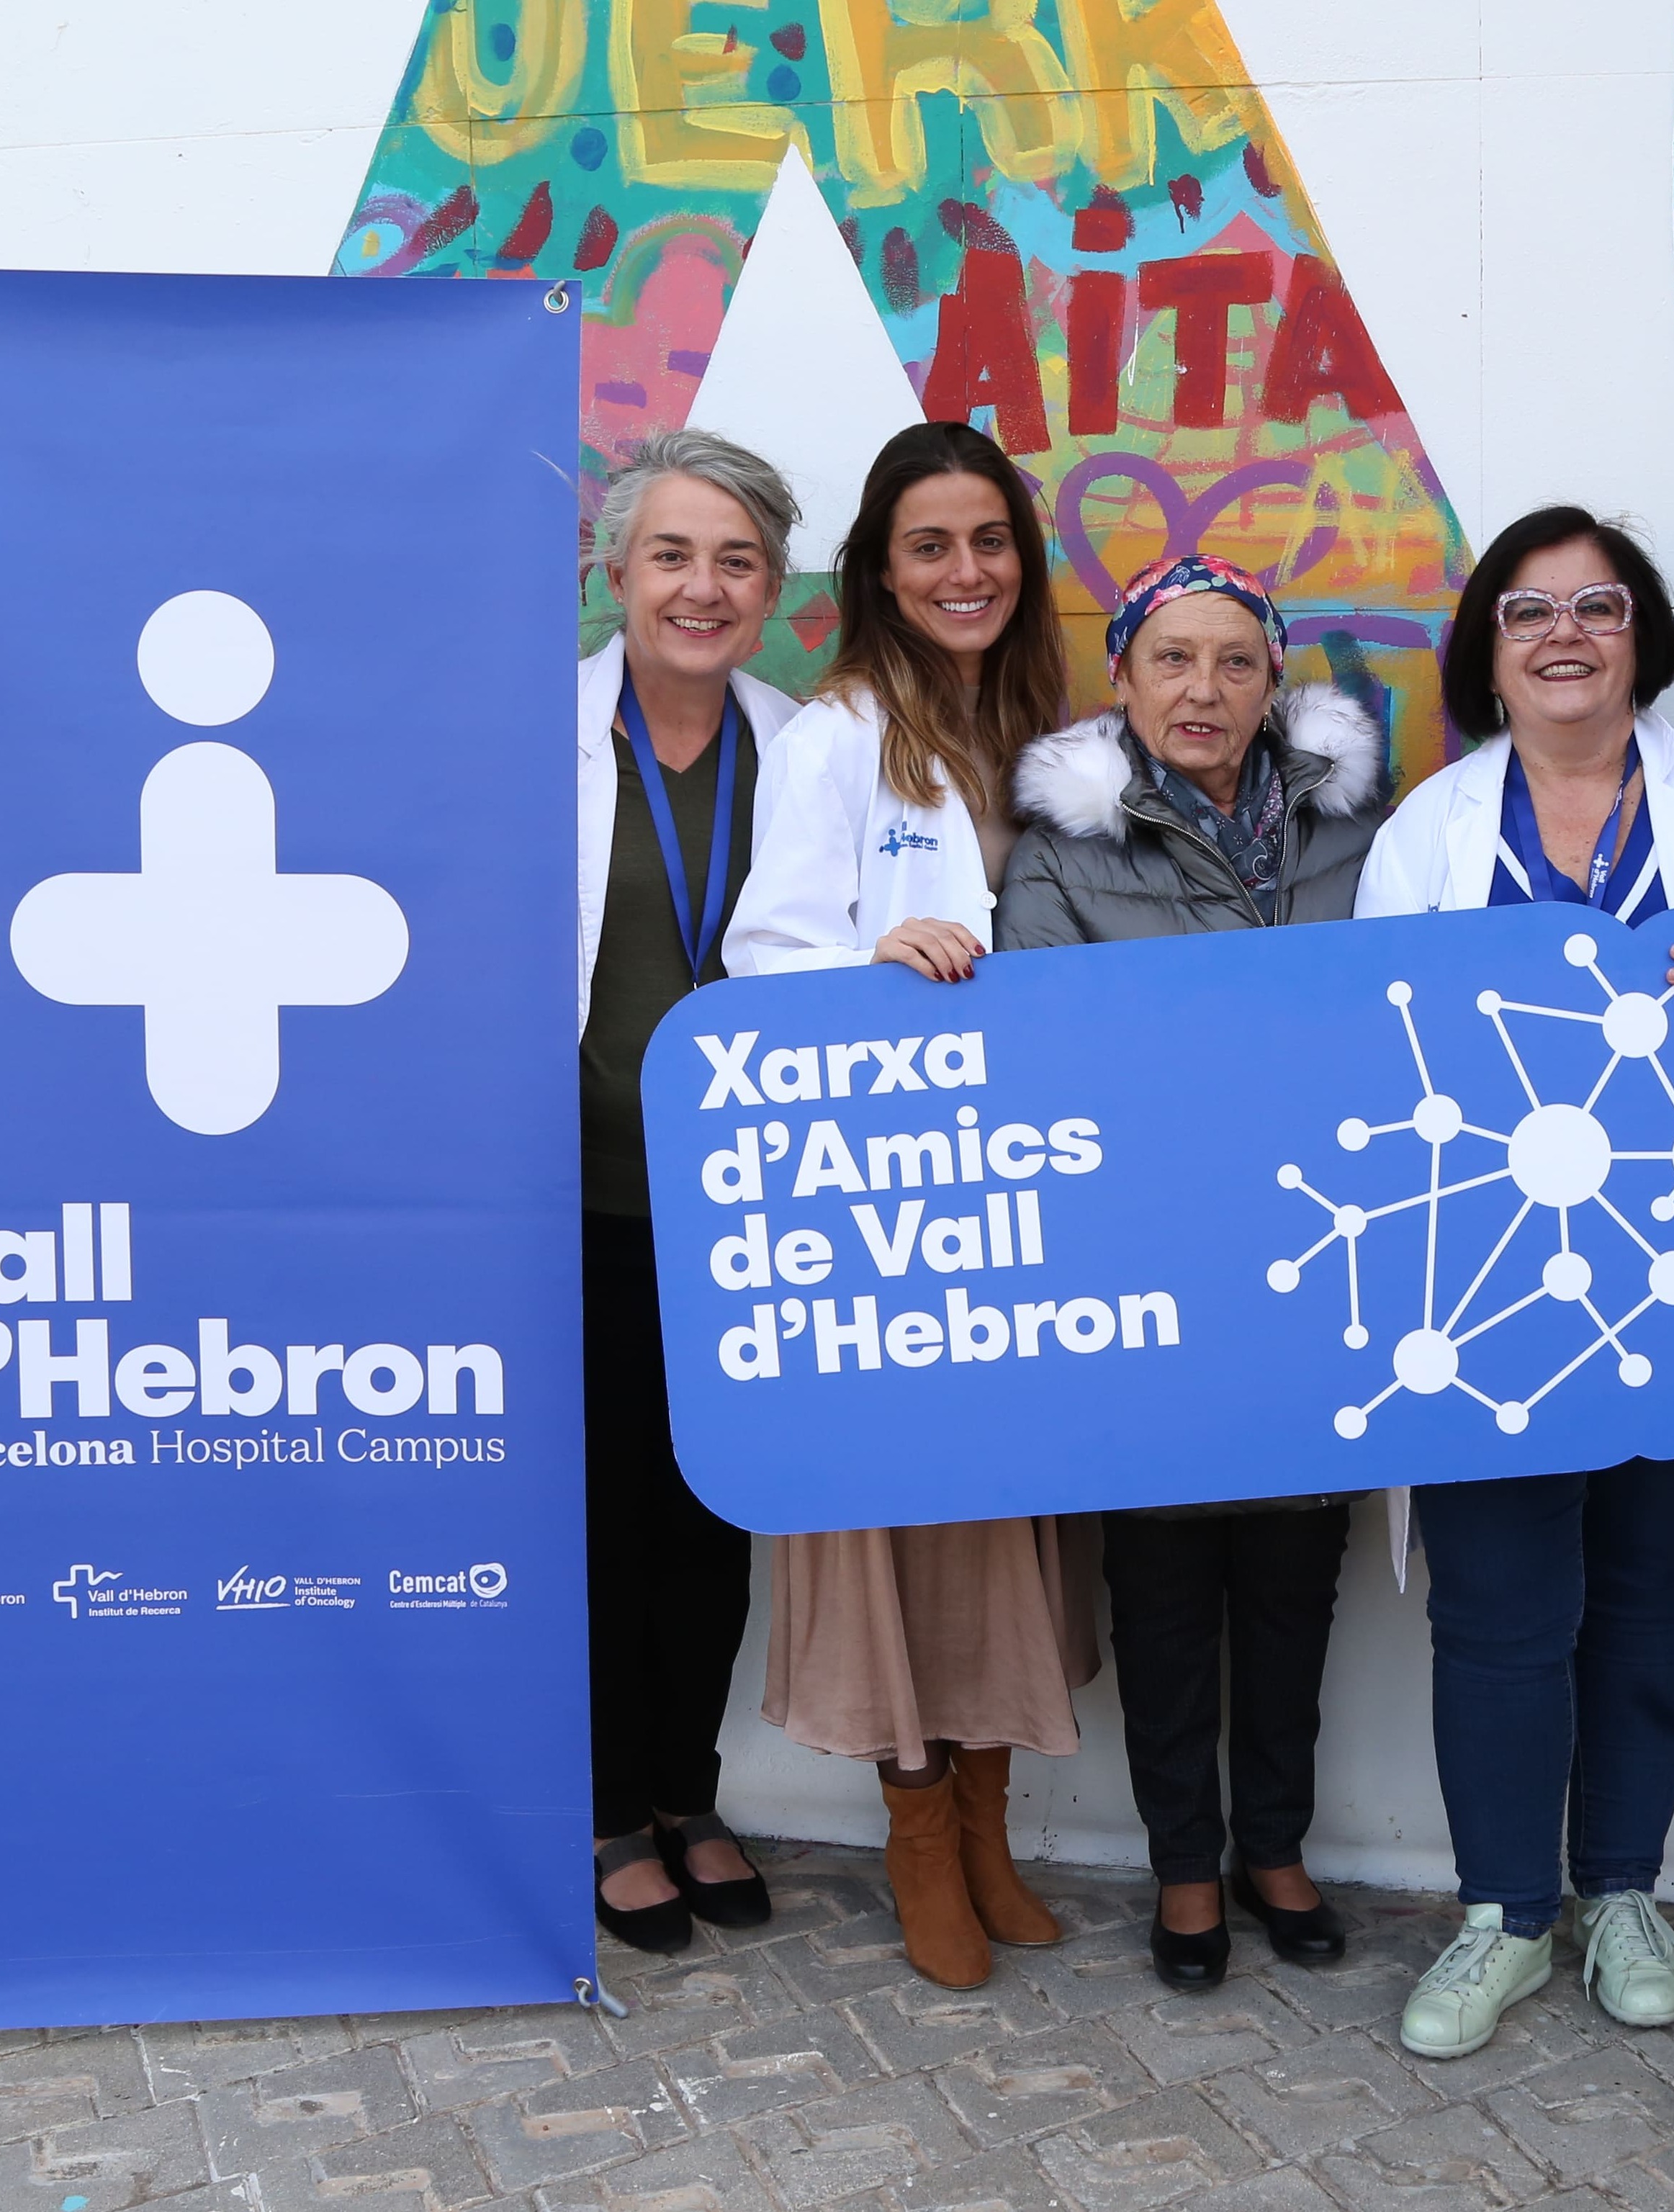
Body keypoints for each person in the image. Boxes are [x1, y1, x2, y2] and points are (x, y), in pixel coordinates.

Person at [1353, 507, 1674, 2061]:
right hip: (1483, 1292)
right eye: (1530, 610)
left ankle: (1621, 1890)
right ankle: (1505, 1914)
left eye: (1599, 606)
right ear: (1488, 649)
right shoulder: (1430, 830)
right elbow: (1375, 1065)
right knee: (1499, 1609)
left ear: (1642, 638)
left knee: (1645, 1591)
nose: (1565, 634)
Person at [719, 421, 1093, 1992]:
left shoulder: (1038, 732)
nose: (965, 571)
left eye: (989, 541)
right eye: (929, 545)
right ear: (879, 568)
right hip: (890, 1212)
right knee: (895, 1524)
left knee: (998, 1523)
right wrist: (864, 964)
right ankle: (918, 1836)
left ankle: (989, 1825)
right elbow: (760, 956)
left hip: (1017, 1202)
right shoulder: (836, 737)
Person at [997, 551, 1387, 1992]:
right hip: (1149, 1276)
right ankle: (1182, 1866)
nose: (1203, 688)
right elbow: (1040, 1062)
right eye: (1173, 658)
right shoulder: (1060, 852)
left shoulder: (1361, 831)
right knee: (1163, 1595)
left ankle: (1274, 1850)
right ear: (1123, 678)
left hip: (1322, 1269)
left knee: (1294, 1587)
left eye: (1235, 660)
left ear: (1275, 681)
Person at [575, 428, 804, 1955]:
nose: (701, 588)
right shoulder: (535, 735)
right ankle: (603, 1807)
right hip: (577, 1199)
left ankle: (687, 1789)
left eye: (735, 560)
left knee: (713, 1518)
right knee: (600, 1513)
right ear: (617, 570)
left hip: (744, 1207)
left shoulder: (808, 749)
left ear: (773, 588)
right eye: (672, 555)